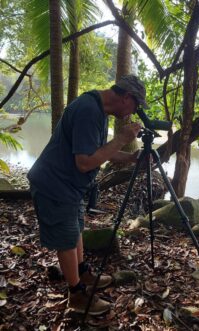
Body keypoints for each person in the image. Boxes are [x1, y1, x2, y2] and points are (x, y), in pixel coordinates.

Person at [27, 75, 148, 315]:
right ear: (127, 98)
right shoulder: (88, 110)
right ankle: (77, 295)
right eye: (137, 106)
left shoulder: (98, 110)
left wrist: (133, 159)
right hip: (54, 185)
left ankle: (82, 273)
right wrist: (122, 139)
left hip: (70, 186)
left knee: (76, 231)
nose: (135, 112)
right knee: (66, 239)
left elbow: (101, 152)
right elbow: (84, 163)